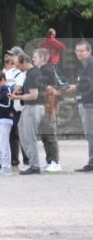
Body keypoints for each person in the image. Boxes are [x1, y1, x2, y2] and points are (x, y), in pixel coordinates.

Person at [10, 53, 42, 175]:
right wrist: (18, 92)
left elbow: (34, 95)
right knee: (22, 132)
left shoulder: (33, 73)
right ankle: (32, 162)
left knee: (29, 136)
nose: (18, 68)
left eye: (19, 66)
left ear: (24, 62)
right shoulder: (29, 73)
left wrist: (17, 97)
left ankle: (34, 166)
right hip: (28, 107)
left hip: (33, 107)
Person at [32, 48, 62, 172]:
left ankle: (55, 162)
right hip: (43, 103)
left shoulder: (47, 70)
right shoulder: (40, 70)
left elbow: (50, 87)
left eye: (35, 56)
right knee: (45, 135)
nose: (33, 58)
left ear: (43, 58)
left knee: (49, 134)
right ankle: (50, 161)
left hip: (49, 104)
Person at [67, 40, 93, 173]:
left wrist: (76, 87)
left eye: (82, 51)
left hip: (90, 103)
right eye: (77, 51)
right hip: (85, 102)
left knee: (91, 134)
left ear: (89, 51)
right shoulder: (84, 65)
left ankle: (92, 164)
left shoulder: (90, 64)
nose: (79, 53)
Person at [3, 47, 26, 169]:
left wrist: (11, 89)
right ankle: (14, 162)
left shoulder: (23, 72)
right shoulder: (8, 72)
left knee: (22, 134)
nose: (10, 57)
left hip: (20, 107)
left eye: (13, 55)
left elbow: (18, 88)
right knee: (12, 135)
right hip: (9, 106)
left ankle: (27, 161)